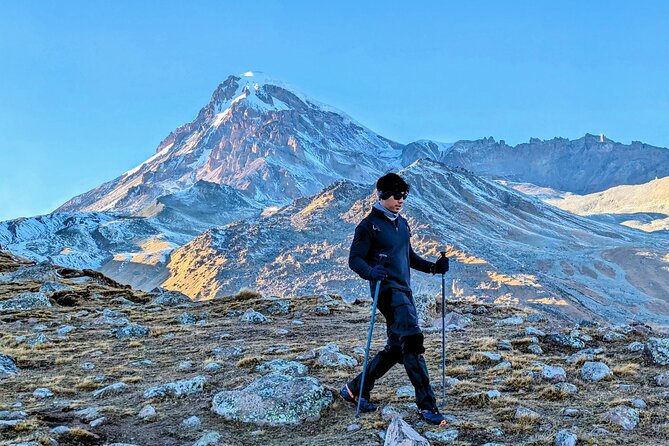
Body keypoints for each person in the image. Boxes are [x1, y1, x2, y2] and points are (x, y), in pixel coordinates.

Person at [339, 172, 449, 425]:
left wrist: (434, 267)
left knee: (396, 348)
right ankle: (427, 406)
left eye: (404, 196)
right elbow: (355, 259)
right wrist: (370, 272)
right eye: (397, 196)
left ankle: (354, 389)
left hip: (405, 292)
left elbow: (408, 256)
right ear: (382, 195)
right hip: (387, 292)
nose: (401, 200)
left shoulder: (402, 224)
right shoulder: (368, 226)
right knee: (412, 341)